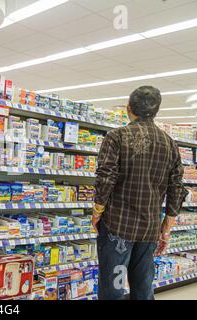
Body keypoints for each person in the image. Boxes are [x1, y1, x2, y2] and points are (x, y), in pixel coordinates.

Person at [92, 86, 189, 300]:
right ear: (156, 111)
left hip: (117, 228)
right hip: (149, 230)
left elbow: (105, 178)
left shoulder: (117, 137)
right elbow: (176, 187)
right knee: (143, 288)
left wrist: (97, 211)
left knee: (114, 288)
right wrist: (166, 228)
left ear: (129, 108)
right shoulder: (169, 144)